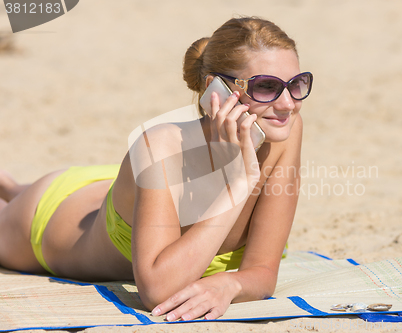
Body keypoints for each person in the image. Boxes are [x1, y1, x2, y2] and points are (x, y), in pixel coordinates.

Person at [0, 16, 313, 321]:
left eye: (296, 84)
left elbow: (262, 269)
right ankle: (12, 187)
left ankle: (12, 186)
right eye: (266, 87)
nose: (287, 104)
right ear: (214, 89)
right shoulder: (158, 146)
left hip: (130, 188)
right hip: (49, 216)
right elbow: (158, 290)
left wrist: (230, 283)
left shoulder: (282, 130)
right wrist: (238, 186)